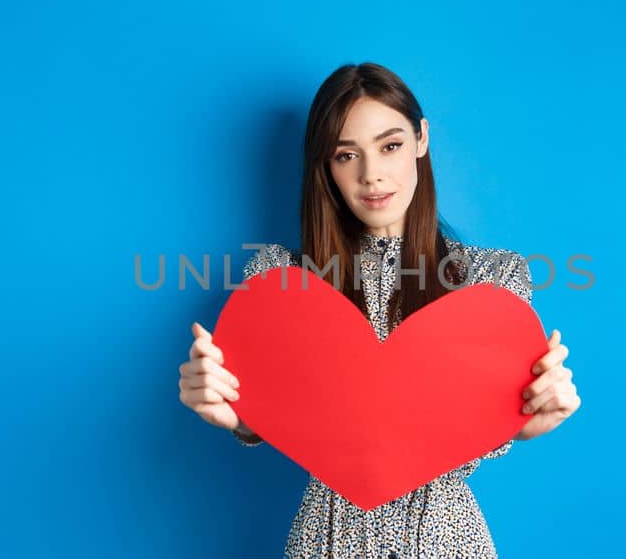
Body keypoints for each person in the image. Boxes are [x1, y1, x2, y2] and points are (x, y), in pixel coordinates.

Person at [177, 62, 582, 558]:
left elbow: (490, 423)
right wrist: (233, 412)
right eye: (347, 155)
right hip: (325, 542)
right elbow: (269, 413)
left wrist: (529, 417)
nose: (372, 175)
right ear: (326, 166)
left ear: (421, 139)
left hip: (447, 541)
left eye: (389, 146)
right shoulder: (283, 281)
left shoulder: (490, 281)